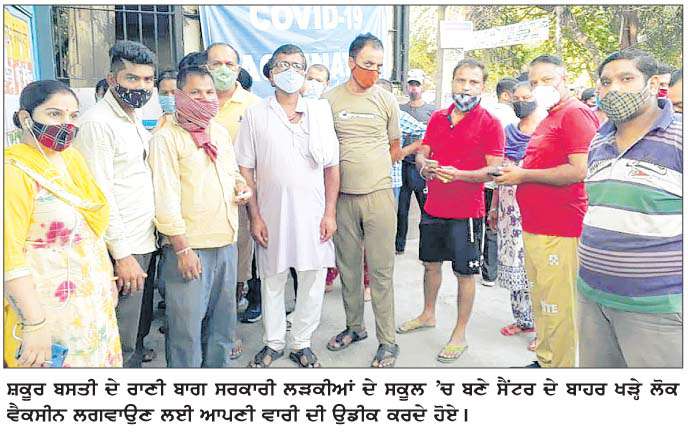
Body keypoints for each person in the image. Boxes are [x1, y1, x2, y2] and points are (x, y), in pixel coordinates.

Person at [236, 44, 340, 368]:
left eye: (297, 66)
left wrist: (330, 213)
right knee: (273, 278)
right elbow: (245, 168)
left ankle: (302, 342)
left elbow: (332, 167)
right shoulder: (255, 114)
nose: (290, 72)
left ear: (305, 74)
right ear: (270, 74)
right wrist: (254, 216)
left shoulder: (320, 112)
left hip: (314, 213)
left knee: (312, 278)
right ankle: (274, 342)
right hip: (271, 213)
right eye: (283, 65)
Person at [4, 80, 121, 367]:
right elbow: (8, 257)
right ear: (25, 118)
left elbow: (91, 228)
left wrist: (107, 278)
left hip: (92, 303)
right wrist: (34, 323)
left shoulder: (72, 159)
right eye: (54, 114)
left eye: (72, 115)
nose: (66, 124)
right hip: (47, 312)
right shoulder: (13, 173)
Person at [578, 49, 682, 367]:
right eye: (606, 82)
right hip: (592, 298)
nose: (614, 89)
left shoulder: (680, 137)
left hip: (656, 308)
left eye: (626, 78)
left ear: (653, 83)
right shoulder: (599, 140)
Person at [397, 59, 505, 363]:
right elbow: (423, 153)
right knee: (430, 265)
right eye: (461, 80)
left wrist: (460, 175)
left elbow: (494, 170)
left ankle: (459, 333)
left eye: (473, 82)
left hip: (467, 212)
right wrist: (425, 166)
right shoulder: (438, 117)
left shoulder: (490, 123)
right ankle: (428, 314)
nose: (466, 87)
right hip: (434, 206)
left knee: (464, 273)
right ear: (452, 82)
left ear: (482, 86)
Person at [495, 55, 599, 368]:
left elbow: (580, 170)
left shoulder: (575, 113)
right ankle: (545, 360)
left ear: (564, 78)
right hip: (537, 225)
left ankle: (561, 367)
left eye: (547, 80)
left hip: (561, 226)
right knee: (543, 301)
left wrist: (523, 175)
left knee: (559, 306)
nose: (540, 87)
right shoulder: (549, 116)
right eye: (534, 82)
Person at [148, 66, 251, 367]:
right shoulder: (166, 139)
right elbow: (165, 199)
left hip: (225, 242)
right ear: (179, 96)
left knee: (223, 325)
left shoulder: (217, 132)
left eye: (209, 92)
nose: (205, 98)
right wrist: (182, 249)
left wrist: (242, 187)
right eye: (195, 93)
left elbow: (232, 173)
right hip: (190, 248)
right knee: (186, 331)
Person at [73, 40, 158, 368]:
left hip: (143, 239)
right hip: (122, 248)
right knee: (119, 336)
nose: (141, 87)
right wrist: (122, 256)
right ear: (112, 79)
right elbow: (100, 195)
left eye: (147, 79)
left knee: (136, 327)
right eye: (131, 78)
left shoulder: (132, 116)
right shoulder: (98, 123)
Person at [323, 33, 402, 367]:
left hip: (379, 196)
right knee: (349, 269)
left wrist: (374, 169)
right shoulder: (329, 100)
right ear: (351, 62)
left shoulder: (386, 100)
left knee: (381, 272)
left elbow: (395, 146)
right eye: (368, 64)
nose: (374, 71)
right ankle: (355, 327)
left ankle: (388, 341)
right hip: (342, 199)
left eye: (379, 66)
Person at [205, 42, 263, 326]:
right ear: (205, 68)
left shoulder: (254, 106)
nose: (223, 70)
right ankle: (206, 325)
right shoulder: (196, 101)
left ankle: (226, 329)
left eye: (229, 64)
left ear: (238, 69)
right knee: (205, 269)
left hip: (240, 199)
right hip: (201, 202)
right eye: (216, 64)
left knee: (238, 267)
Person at [488, 81, 543, 349]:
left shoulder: (545, 132)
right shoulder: (508, 132)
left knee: (536, 269)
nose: (521, 103)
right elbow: (500, 172)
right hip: (509, 210)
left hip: (535, 209)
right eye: (517, 99)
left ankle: (543, 330)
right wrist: (494, 206)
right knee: (513, 264)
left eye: (526, 97)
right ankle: (523, 319)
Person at [396, 69, 437, 254]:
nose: (414, 88)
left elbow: (434, 137)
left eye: (417, 85)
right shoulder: (400, 110)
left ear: (423, 87)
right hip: (403, 165)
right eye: (411, 84)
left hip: (421, 166)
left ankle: (428, 246)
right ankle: (399, 246)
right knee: (401, 209)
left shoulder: (432, 111)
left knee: (426, 208)